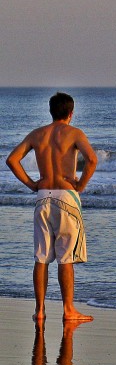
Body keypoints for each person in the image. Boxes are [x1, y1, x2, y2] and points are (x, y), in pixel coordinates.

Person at [6, 92, 97, 322]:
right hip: (66, 196)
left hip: (43, 196)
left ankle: (40, 310)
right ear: (71, 113)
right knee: (66, 257)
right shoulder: (74, 133)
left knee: (41, 257)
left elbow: (12, 159)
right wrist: (80, 186)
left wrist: (31, 184)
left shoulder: (38, 134)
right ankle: (68, 310)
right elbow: (92, 159)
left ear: (50, 111)